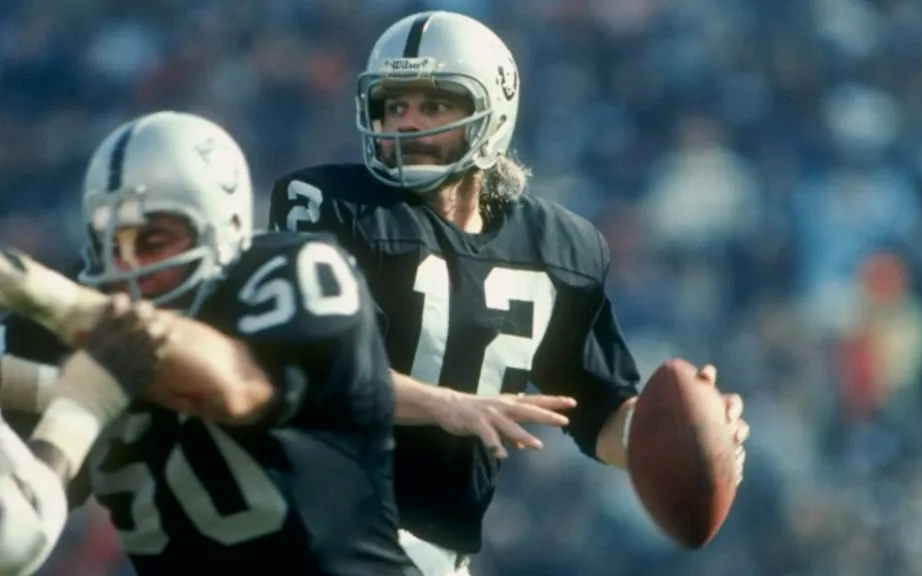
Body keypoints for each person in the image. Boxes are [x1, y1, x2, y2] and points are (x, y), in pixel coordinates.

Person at [269, 10, 750, 575]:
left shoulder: (558, 248)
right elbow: (316, 374)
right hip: (316, 537)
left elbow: (597, 417)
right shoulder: (331, 204)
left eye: (435, 104)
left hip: (436, 559)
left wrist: (687, 433)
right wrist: (447, 404)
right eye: (394, 106)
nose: (406, 123)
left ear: (490, 114)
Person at [0, 111, 421, 576]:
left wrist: (42, 293)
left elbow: (232, 387)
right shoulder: (56, 332)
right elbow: (14, 528)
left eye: (154, 240)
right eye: (109, 245)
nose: (126, 267)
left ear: (225, 226)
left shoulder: (296, 275)